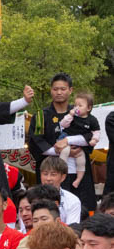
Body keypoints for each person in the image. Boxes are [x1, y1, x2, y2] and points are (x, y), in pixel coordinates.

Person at [28, 72, 96, 211]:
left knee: (81, 209)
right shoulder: (41, 116)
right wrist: (59, 151)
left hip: (77, 170)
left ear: (70, 90)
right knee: (49, 209)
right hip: (51, 172)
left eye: (63, 89)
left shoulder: (81, 113)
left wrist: (69, 142)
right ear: (50, 90)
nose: (59, 92)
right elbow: (36, 141)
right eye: (55, 89)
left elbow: (92, 134)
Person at [57, 91, 100, 188]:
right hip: (67, 140)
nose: (76, 108)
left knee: (82, 161)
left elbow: (96, 132)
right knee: (64, 152)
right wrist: (70, 115)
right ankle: (62, 170)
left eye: (80, 105)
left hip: (81, 147)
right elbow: (63, 124)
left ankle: (78, 179)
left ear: (88, 108)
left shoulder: (92, 120)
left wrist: (94, 140)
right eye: (75, 105)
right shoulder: (72, 116)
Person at [39, 156, 82, 225]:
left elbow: (72, 229)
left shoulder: (72, 200)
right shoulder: (30, 197)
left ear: (63, 177)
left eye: (53, 174)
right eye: (45, 174)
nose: (48, 178)